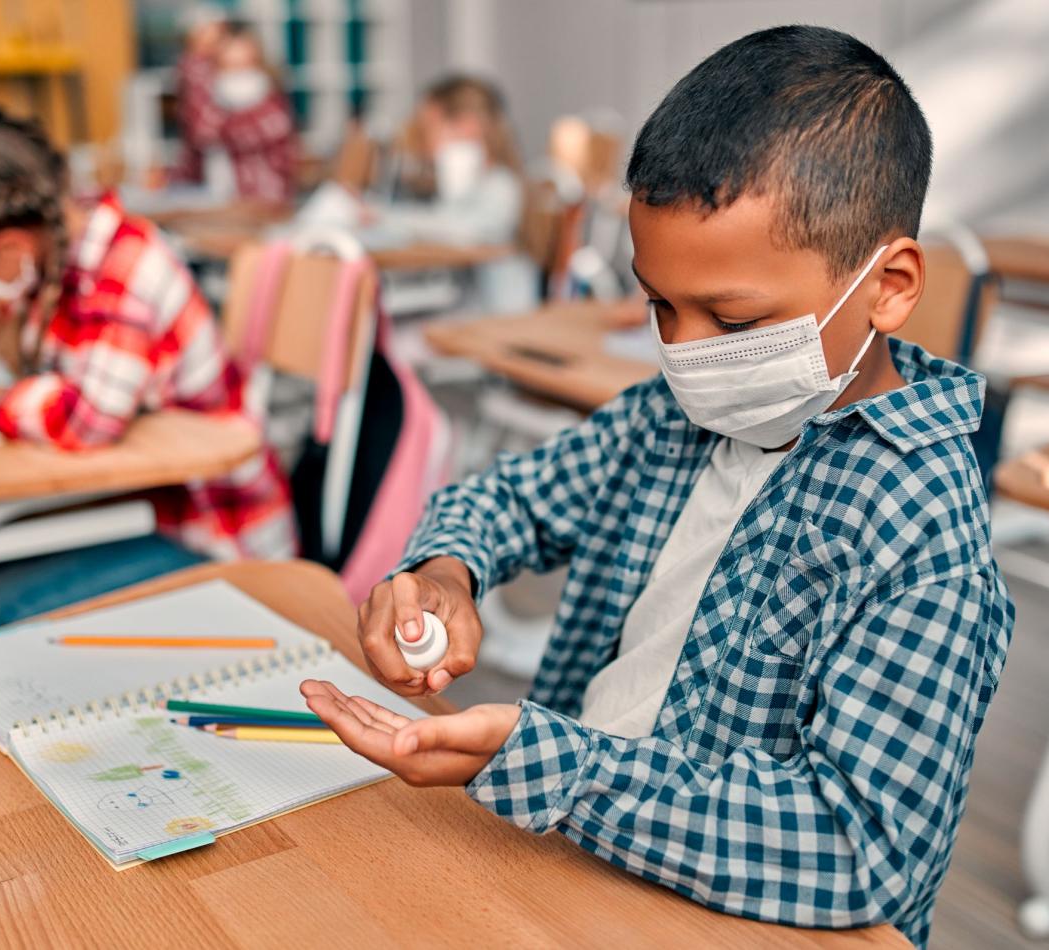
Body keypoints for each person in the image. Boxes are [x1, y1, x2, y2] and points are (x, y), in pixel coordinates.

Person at [299, 27, 1013, 949]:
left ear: (890, 286)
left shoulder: (919, 532)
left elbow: (856, 849)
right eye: (661, 305)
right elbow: (508, 497)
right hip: (567, 863)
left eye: (734, 317)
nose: (685, 351)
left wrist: (556, 766)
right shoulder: (667, 417)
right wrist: (446, 572)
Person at [0, 102, 294, 637]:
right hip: (129, 502)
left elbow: (88, 420)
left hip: (209, 534)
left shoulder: (124, 267)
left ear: (8, 246)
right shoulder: (53, 252)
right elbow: (15, 328)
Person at [370, 74, 538, 313]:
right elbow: (443, 221)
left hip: (498, 316)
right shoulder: (472, 184)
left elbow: (461, 230)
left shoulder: (502, 185)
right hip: (468, 309)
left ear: (468, 126)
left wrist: (385, 217)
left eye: (427, 130)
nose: (423, 143)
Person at [172, 15, 298, 205]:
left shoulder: (270, 103)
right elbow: (200, 136)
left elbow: (214, 134)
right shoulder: (207, 94)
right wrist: (197, 56)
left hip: (263, 202)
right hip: (216, 202)